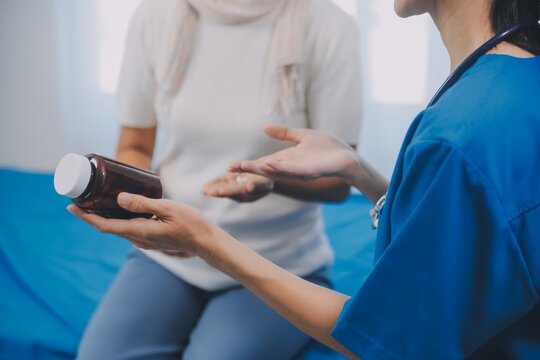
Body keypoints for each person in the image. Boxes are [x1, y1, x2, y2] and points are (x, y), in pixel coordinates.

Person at [70, 0, 540, 358]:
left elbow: (387, 338)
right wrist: (357, 170)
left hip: (275, 257)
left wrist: (208, 238)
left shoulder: (458, 132)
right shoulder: (509, 89)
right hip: (172, 257)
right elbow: (465, 210)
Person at [76, 0, 363, 359]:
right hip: (173, 249)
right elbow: (134, 146)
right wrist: (140, 215)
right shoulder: (156, 15)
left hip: (276, 262)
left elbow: (338, 182)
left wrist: (273, 181)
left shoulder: (329, 26)